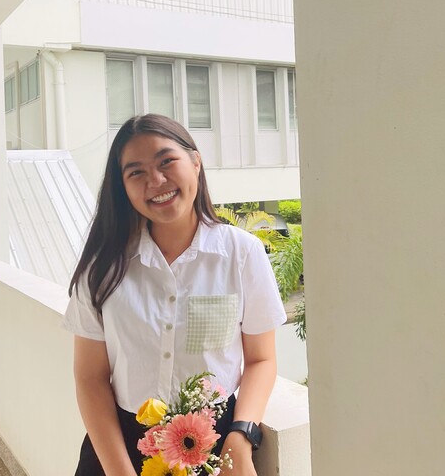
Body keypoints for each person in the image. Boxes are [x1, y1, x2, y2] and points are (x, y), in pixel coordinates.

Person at [63, 114, 287, 476]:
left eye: (166, 161)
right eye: (136, 172)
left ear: (195, 162)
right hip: (119, 445)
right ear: (123, 187)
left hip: (214, 446)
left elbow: (261, 359)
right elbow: (90, 377)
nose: (155, 181)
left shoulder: (242, 253)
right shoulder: (103, 266)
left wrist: (241, 436)